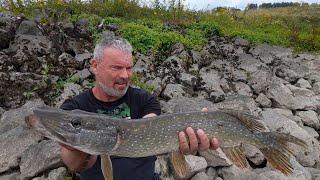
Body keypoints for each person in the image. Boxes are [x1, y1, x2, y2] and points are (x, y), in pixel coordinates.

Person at [59, 33, 219, 180]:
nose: (125, 75)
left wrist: (194, 129)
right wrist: (80, 142)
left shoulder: (145, 100)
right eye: (116, 68)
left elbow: (151, 128)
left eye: (128, 68)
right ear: (94, 66)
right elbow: (74, 164)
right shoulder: (75, 108)